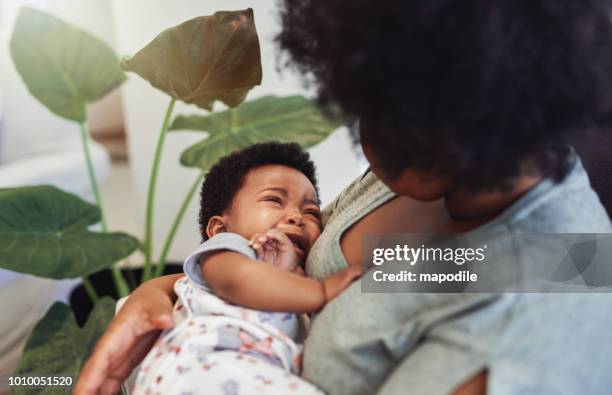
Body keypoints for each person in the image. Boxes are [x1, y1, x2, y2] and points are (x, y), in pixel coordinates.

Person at [75, 1, 612, 394]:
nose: (365, 135)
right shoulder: (449, 181)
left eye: (392, 117)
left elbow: (535, 270)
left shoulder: (529, 337)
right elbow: (403, 269)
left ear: (477, 115)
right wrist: (162, 294)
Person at [132, 142, 359, 395]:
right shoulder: (228, 249)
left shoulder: (299, 279)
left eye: (311, 212)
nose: (297, 216)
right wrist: (322, 293)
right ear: (219, 228)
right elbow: (237, 280)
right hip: (204, 366)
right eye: (274, 200)